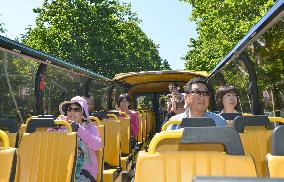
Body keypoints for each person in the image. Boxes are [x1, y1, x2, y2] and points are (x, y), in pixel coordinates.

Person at [56, 96, 102, 181]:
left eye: (76, 110)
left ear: (83, 113)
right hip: (62, 168)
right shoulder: (62, 126)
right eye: (69, 109)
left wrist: (79, 129)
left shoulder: (90, 127)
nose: (72, 112)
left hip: (83, 172)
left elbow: (97, 145)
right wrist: (55, 127)